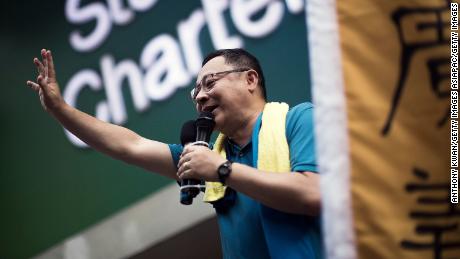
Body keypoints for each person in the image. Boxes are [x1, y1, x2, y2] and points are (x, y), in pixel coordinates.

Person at [27, 48, 322, 259]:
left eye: (210, 82)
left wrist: (222, 170)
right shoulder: (208, 154)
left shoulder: (297, 120)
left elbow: (313, 193)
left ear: (250, 80)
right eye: (196, 92)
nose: (201, 96)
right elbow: (130, 145)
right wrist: (60, 110)